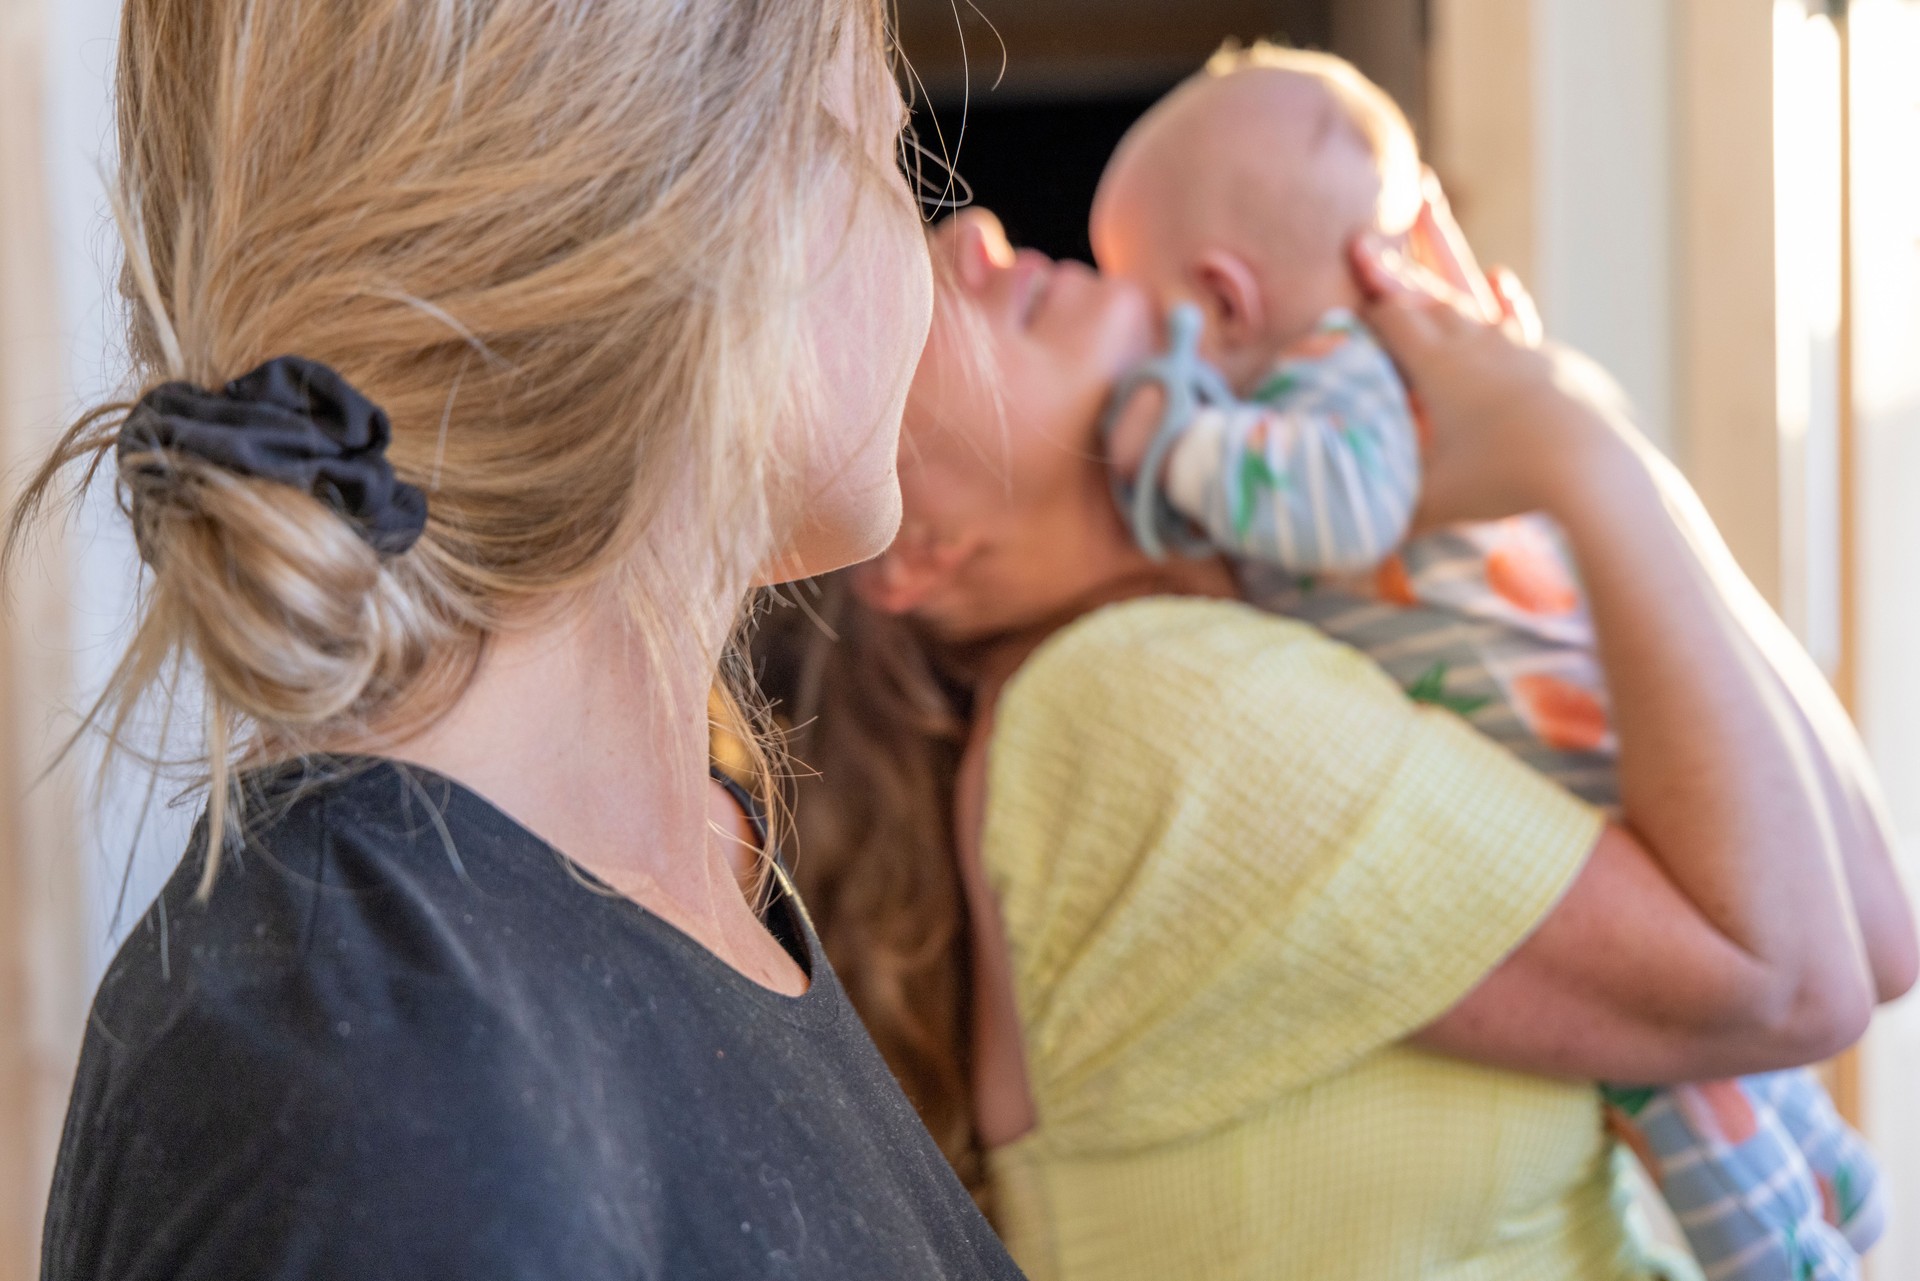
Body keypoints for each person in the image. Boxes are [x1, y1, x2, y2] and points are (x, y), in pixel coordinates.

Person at [8, 4, 1026, 1278]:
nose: (937, 235)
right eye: (884, 150)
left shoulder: (680, 874)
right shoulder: (378, 1083)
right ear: (719, 223)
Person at [757, 205, 1917, 1280]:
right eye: (879, 282)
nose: (969, 234)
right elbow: (1791, 984)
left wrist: (1594, 456)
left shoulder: (1223, 670)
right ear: (915, 551)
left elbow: (1870, 934)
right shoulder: (1143, 701)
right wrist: (1586, 457)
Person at [1086, 44, 1891, 1277]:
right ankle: (1830, 1172)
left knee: (1671, 1069)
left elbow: (1341, 512)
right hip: (1561, 742)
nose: (1144, 355)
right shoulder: (1364, 395)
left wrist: (1173, 442)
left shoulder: (1329, 386)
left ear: (1227, 300)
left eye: (1136, 304)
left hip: (1562, 758)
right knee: (1707, 1061)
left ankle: (1794, 1251)